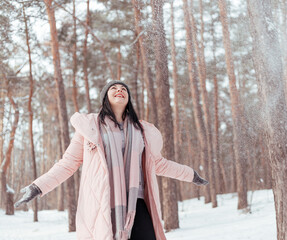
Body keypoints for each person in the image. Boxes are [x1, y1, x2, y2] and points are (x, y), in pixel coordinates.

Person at [14, 80, 208, 240]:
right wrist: (38, 186)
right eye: (114, 88)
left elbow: (159, 163)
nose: (119, 90)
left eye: (124, 89)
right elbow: (68, 163)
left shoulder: (141, 131)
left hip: (137, 202)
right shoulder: (90, 128)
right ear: (106, 97)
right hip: (103, 202)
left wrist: (191, 174)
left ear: (128, 98)